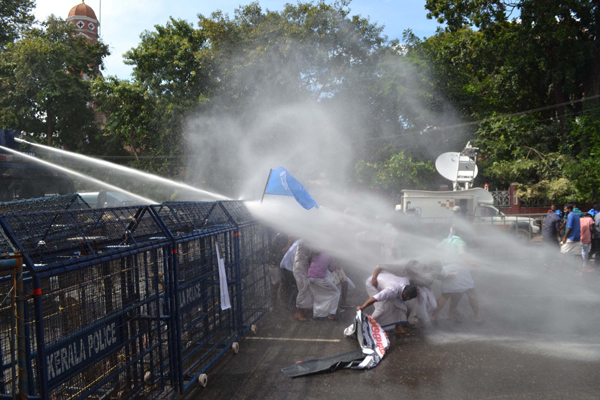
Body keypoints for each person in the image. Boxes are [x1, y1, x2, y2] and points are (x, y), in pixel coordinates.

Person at [431, 227, 481, 323]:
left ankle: (434, 316)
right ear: (461, 234)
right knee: (471, 293)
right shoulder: (460, 242)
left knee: (445, 295)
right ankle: (477, 317)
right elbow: (462, 255)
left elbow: (437, 250)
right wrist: (471, 263)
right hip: (460, 271)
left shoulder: (445, 241)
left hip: (447, 270)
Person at [356, 266, 418, 336]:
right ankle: (366, 327)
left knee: (400, 306)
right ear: (404, 294)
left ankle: (398, 329)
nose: (408, 300)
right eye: (408, 298)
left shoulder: (406, 283)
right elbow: (374, 299)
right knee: (381, 309)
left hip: (385, 281)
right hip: (373, 283)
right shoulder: (391, 291)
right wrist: (362, 307)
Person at [308, 251, 340, 320]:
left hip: (310, 276)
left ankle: (316, 314)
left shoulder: (316, 253)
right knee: (336, 292)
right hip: (320, 277)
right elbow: (331, 269)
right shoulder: (330, 254)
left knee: (317, 295)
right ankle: (332, 314)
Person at [292, 240, 314, 321]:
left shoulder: (303, 242)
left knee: (305, 288)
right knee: (303, 289)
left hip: (302, 268)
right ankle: (298, 312)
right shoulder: (304, 242)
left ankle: (305, 308)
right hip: (300, 269)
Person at [267, 232, 290, 308]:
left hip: (274, 263)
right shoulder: (283, 237)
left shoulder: (281, 235)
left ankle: (277, 304)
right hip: (275, 264)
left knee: (279, 283)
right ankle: (275, 305)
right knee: (276, 284)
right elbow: (279, 252)